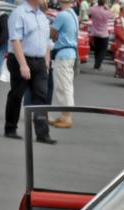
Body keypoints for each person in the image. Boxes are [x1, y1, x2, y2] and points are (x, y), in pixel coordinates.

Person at [4, 0, 54, 143]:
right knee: (17, 94)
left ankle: (43, 134)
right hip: (21, 59)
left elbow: (46, 42)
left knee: (41, 97)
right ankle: (10, 128)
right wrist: (23, 65)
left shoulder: (42, 16)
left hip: (39, 61)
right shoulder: (19, 13)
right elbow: (15, 40)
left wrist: (46, 62)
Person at [49, 0, 78, 128]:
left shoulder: (62, 15)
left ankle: (66, 117)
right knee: (66, 85)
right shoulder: (73, 14)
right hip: (70, 53)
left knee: (63, 87)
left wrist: (55, 36)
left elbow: (51, 33)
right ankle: (64, 116)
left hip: (63, 53)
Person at [86, 0, 109, 70]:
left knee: (97, 49)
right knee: (103, 50)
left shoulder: (93, 9)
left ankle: (96, 64)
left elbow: (87, 12)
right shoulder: (106, 11)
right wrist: (107, 8)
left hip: (94, 32)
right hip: (104, 33)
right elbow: (112, 16)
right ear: (104, 3)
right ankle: (97, 64)